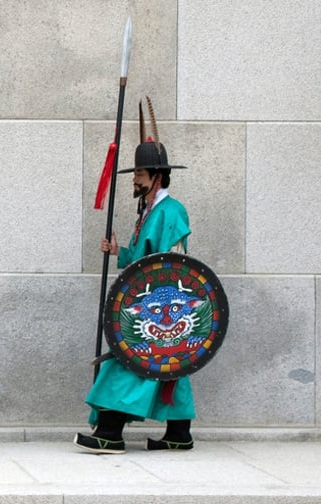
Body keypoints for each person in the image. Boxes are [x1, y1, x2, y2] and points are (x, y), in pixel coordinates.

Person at [76, 103, 194, 454]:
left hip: (159, 303)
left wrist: (155, 302)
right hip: (148, 297)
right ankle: (179, 433)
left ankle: (109, 432)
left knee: (132, 361)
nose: (134, 178)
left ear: (156, 176)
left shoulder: (171, 212)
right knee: (171, 364)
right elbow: (142, 258)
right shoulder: (150, 211)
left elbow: (171, 262)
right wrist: (118, 252)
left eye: (139, 172)